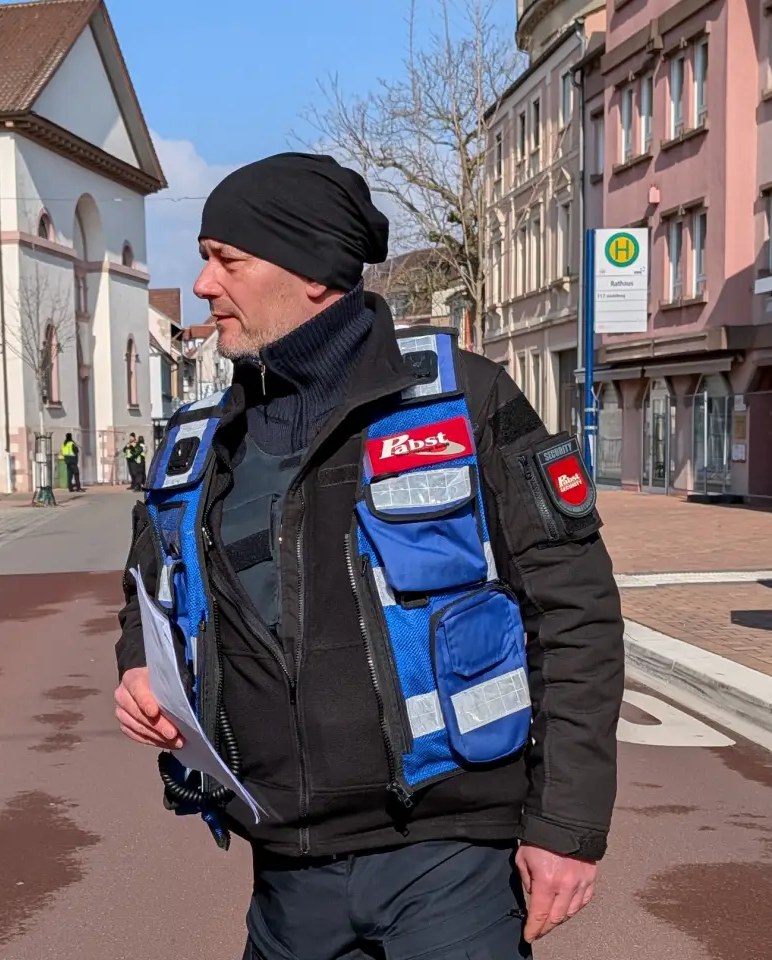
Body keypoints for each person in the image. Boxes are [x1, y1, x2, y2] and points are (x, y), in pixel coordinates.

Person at [113, 153, 625, 960]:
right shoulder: (199, 442)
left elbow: (576, 615)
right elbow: (146, 596)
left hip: (450, 863)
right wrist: (141, 668)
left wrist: (567, 824)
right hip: (286, 878)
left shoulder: (467, 402)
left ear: (315, 272)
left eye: (228, 260)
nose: (204, 284)